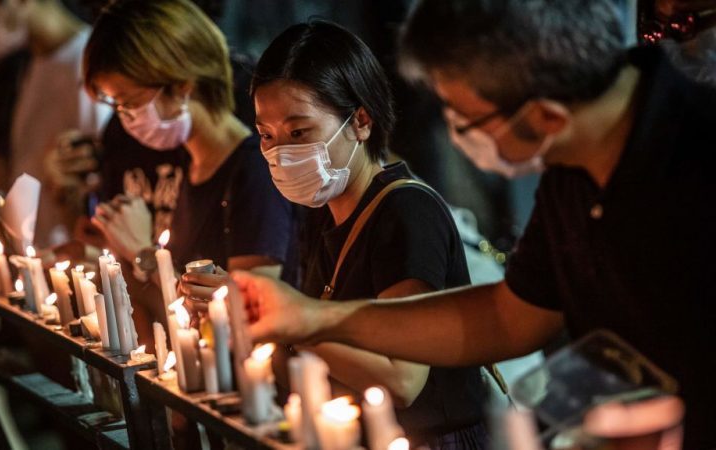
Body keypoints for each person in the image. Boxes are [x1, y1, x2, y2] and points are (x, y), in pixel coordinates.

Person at [232, 0, 716, 448]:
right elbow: (511, 316)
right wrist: (312, 318)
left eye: (466, 119)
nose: (459, 136)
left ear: (545, 116)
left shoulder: (693, 159)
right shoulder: (570, 168)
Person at [248, 21, 488, 449]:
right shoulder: (322, 211)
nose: (280, 153)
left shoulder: (406, 212)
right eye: (267, 135)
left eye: (299, 132)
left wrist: (295, 321)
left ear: (360, 121)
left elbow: (402, 379)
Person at [80, 0, 298, 332]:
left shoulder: (254, 171)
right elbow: (175, 308)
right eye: (117, 105)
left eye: (130, 102)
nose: (124, 119)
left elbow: (253, 319)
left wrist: (145, 255)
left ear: (182, 83)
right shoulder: (187, 161)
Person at [0, 0, 111, 248]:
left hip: (72, 261)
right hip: (35, 255)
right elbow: (23, 170)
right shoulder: (35, 65)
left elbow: (97, 192)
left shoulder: (88, 66)